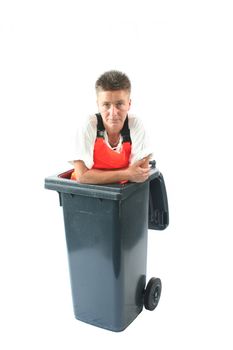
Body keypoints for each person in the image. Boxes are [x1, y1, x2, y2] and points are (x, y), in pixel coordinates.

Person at [70, 70, 152, 184]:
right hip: (85, 196)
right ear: (98, 105)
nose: (113, 113)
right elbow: (82, 176)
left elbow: (140, 173)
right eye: (106, 105)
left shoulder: (135, 124)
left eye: (119, 104)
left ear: (129, 104)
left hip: (122, 196)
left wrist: (95, 176)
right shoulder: (89, 125)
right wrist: (127, 174)